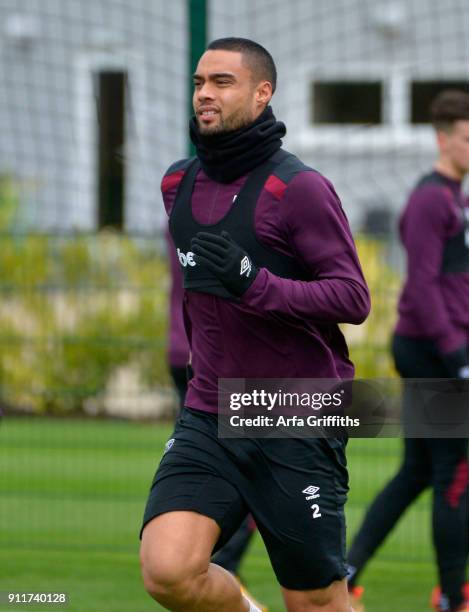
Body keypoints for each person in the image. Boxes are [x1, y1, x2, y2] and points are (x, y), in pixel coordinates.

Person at [140, 37, 370, 612]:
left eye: (222, 82)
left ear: (263, 94)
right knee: (168, 569)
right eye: (198, 83)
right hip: (209, 409)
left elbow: (352, 297)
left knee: (316, 601)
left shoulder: (300, 189)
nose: (205, 95)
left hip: (295, 409)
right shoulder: (178, 184)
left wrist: (256, 283)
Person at [347, 90, 469, 612]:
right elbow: (419, 286)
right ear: (442, 139)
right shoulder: (429, 199)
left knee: (418, 472)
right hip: (431, 352)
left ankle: (345, 572)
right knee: (455, 472)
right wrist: (457, 354)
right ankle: (452, 595)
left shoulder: (456, 196)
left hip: (437, 349)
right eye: (468, 137)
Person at [166, 231, 263, 606]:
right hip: (216, 361)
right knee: (261, 468)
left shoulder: (186, 200)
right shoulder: (212, 208)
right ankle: (224, 566)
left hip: (188, 351)